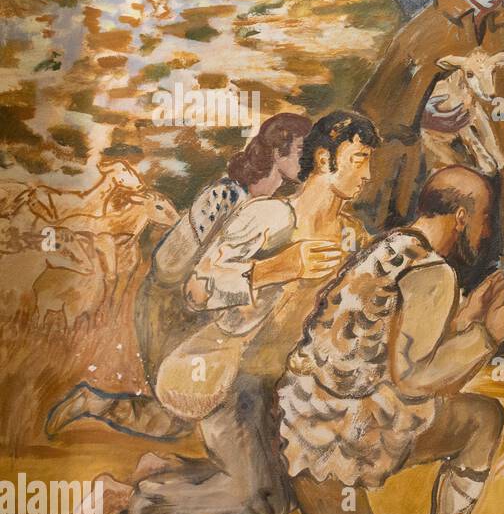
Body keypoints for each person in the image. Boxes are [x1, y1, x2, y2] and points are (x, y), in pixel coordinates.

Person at [172, 167, 504, 514]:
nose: (486, 229)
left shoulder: (390, 248)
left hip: (305, 427)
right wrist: (488, 336)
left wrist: (466, 319)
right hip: (355, 434)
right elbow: (413, 378)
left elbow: (386, 344)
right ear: (461, 216)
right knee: (484, 418)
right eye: (483, 217)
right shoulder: (434, 273)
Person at [62, 112, 376, 514]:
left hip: (285, 384)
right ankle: (125, 498)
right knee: (258, 504)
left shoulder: (353, 237)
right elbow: (196, 290)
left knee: (285, 495)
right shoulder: (269, 216)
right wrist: (277, 268)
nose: (368, 175)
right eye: (359, 160)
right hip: (233, 375)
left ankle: (161, 468)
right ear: (324, 160)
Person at [45, 113, 313, 440]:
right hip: (167, 304)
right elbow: (170, 264)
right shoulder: (227, 194)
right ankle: (92, 402)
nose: (308, 159)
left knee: (182, 416)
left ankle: (95, 404)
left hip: (199, 309)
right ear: (276, 152)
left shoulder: (268, 205)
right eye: (302, 150)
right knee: (178, 414)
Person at [352, 0, 504, 295]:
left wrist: (497, 96)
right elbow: (376, 107)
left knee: (489, 252)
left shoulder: (501, 28)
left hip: (495, 172)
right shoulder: (426, 30)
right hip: (434, 174)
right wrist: (421, 115)